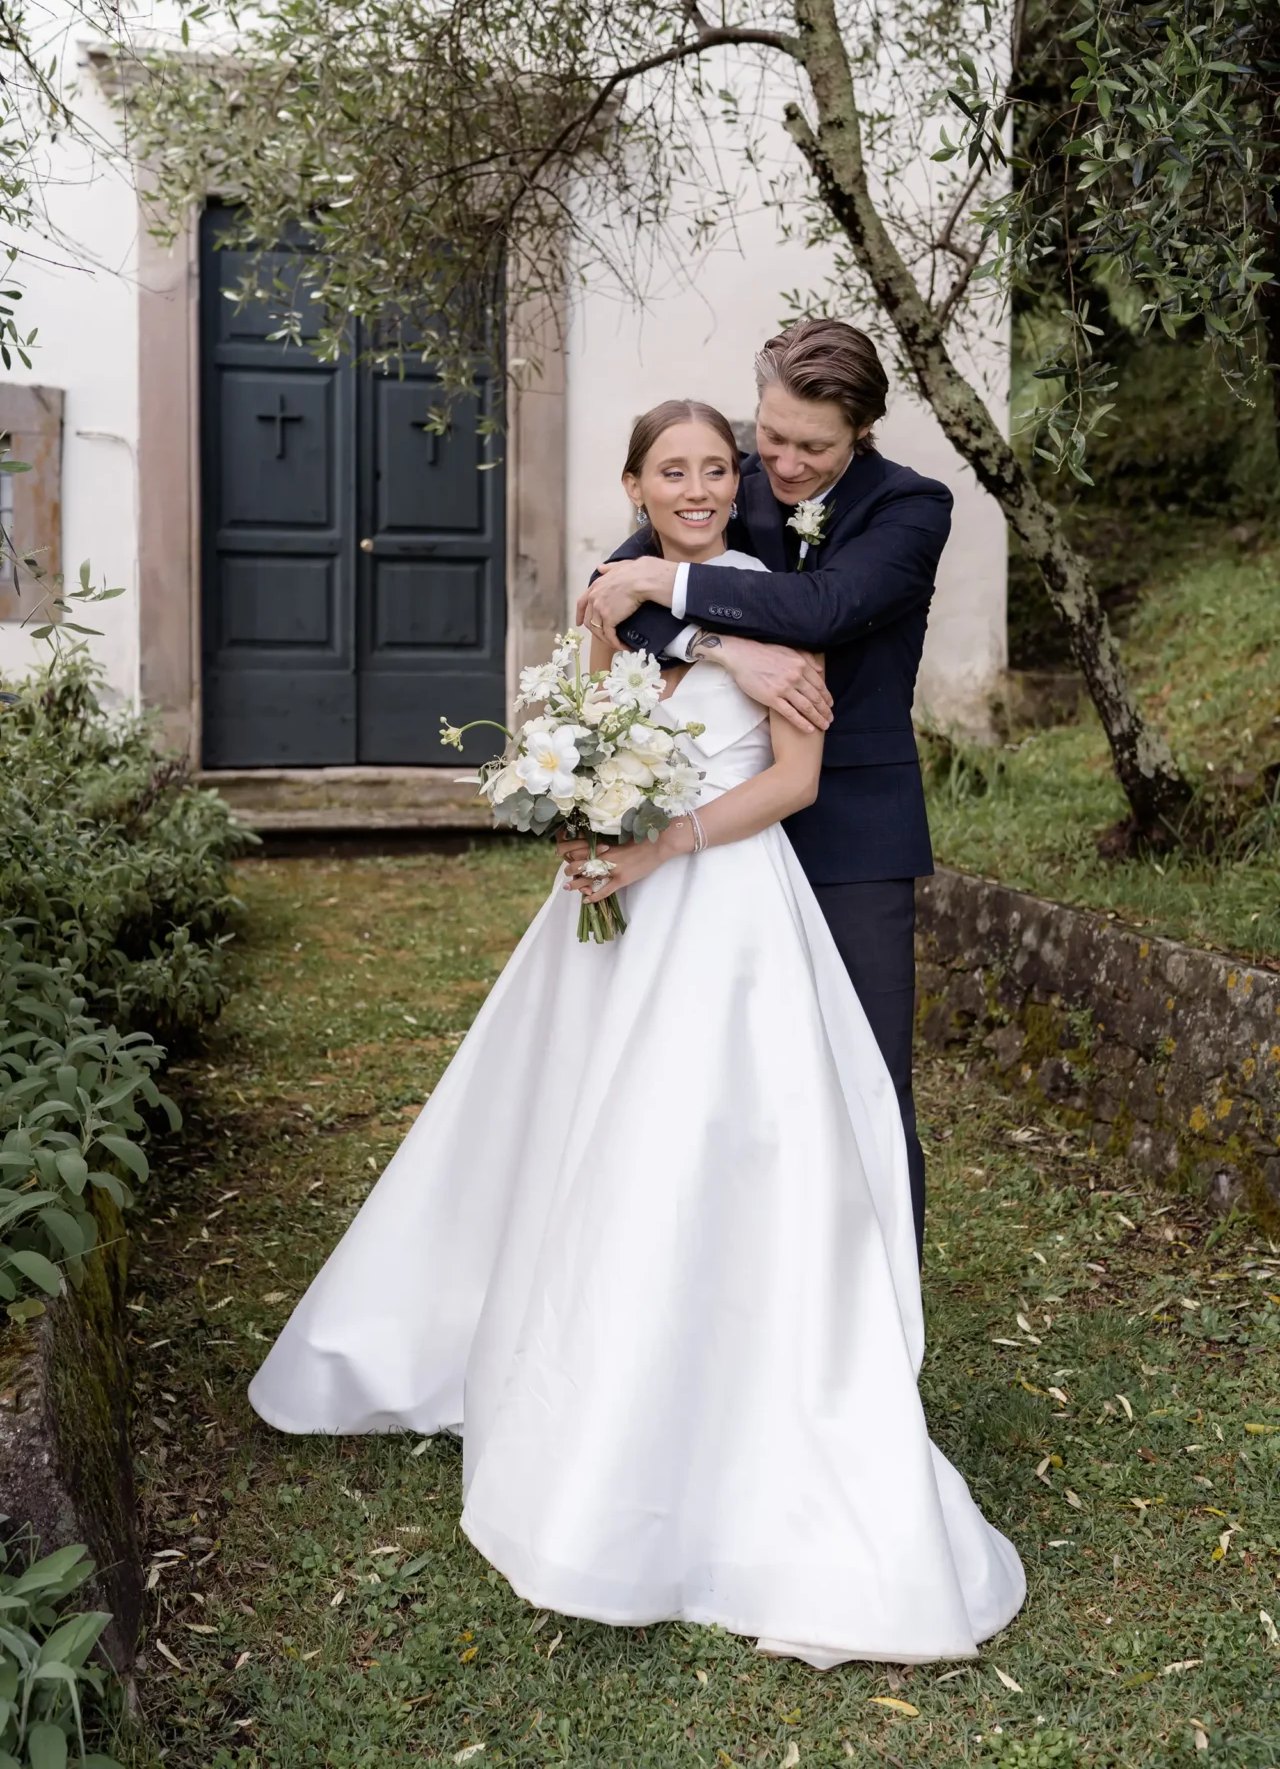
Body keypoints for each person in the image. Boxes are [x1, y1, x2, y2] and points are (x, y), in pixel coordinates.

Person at [249, 398, 1025, 1668]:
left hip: (724, 913)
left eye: (721, 468)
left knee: (709, 1145)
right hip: (607, 917)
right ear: (634, 483)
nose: (706, 485)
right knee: (574, 1129)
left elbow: (793, 780)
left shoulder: (776, 595)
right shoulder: (617, 601)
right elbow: (576, 730)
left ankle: (722, 1406)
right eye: (677, 469)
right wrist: (580, 815)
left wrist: (664, 839)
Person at [577, 320, 951, 1265]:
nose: (776, 463)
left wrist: (676, 581)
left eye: (809, 447)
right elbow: (612, 592)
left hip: (853, 834)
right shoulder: (728, 476)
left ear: (861, 431)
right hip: (718, 841)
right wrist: (714, 643)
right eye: (769, 435)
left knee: (864, 1078)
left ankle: (882, 1327)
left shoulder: (912, 508)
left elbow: (824, 609)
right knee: (722, 1087)